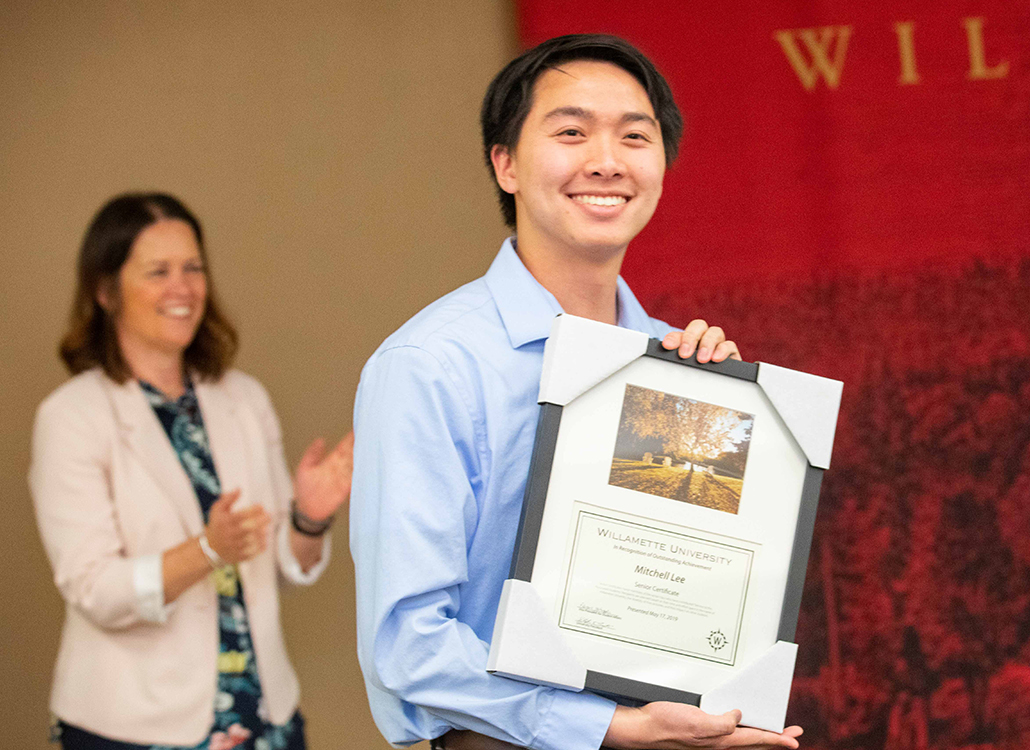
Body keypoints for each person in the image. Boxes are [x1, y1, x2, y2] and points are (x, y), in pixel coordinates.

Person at [349, 34, 802, 750]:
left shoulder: (678, 364)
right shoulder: (430, 365)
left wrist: (738, 430)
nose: (605, 160)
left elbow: (688, 602)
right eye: (570, 132)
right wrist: (606, 729)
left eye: (634, 136)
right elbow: (408, 647)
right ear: (506, 164)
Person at [30, 193, 354, 750]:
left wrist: (308, 518)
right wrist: (206, 549)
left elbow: (273, 568)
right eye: (158, 272)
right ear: (105, 291)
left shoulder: (243, 398)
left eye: (193, 268)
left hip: (263, 715)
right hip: (131, 727)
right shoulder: (71, 417)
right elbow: (94, 588)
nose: (182, 288)